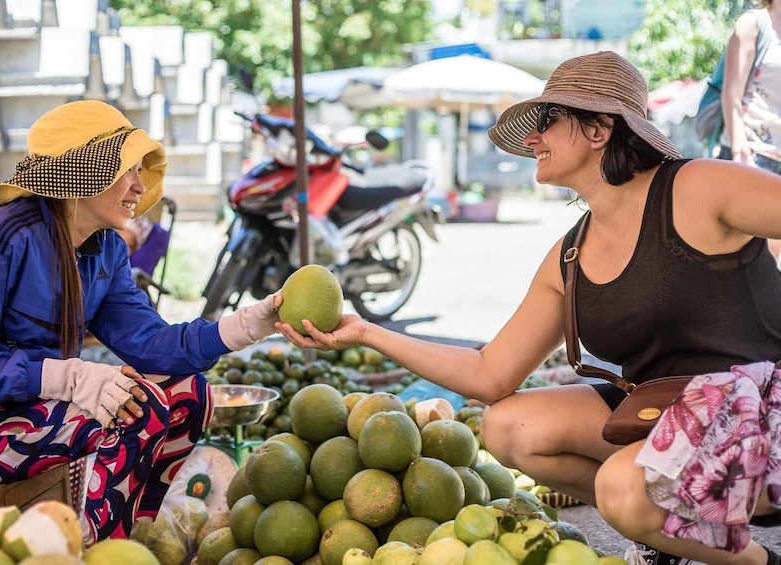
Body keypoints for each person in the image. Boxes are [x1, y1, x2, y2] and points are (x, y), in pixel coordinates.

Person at [277, 51, 781, 565]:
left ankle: (751, 558)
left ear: (599, 129)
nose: (531, 139)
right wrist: (367, 333)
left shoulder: (697, 187)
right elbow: (492, 373)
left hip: (763, 420)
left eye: (546, 121)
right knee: (509, 426)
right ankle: (670, 534)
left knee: (622, 489)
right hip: (665, 413)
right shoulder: (571, 253)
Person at [0, 100, 281, 545]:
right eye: (128, 169)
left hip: (38, 416)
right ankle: (98, 549)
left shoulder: (106, 251)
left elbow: (152, 344)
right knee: (131, 415)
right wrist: (68, 375)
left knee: (186, 394)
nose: (140, 186)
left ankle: (117, 537)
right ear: (84, 169)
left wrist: (247, 326)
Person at [719, 1, 781, 258]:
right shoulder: (754, 23)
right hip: (752, 155)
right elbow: (731, 93)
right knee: (738, 258)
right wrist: (740, 155)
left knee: (768, 262)